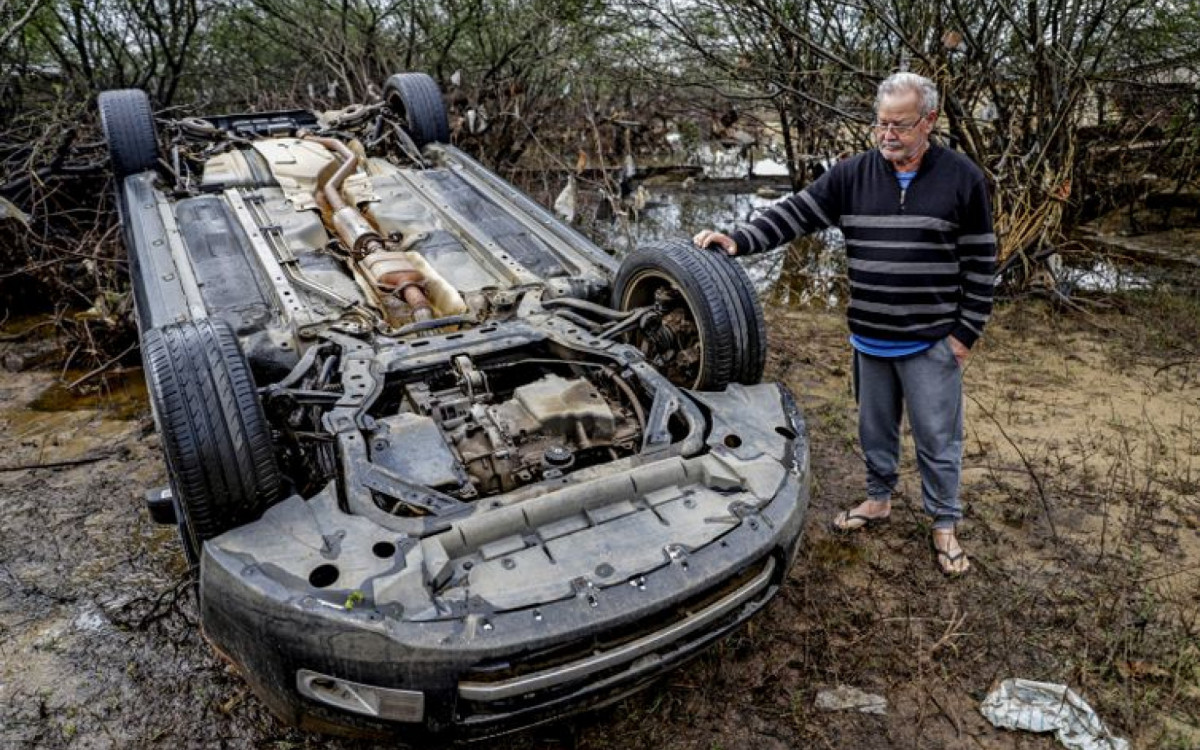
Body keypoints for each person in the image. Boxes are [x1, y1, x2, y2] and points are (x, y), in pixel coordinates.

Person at [692, 72, 995, 576]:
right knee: (873, 430)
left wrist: (964, 336)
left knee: (938, 439)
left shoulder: (962, 177)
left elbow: (981, 264)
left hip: (929, 343)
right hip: (870, 339)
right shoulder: (852, 175)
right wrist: (739, 240)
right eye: (881, 124)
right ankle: (878, 499)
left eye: (900, 124)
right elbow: (796, 213)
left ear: (930, 121)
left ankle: (944, 523)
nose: (888, 135)